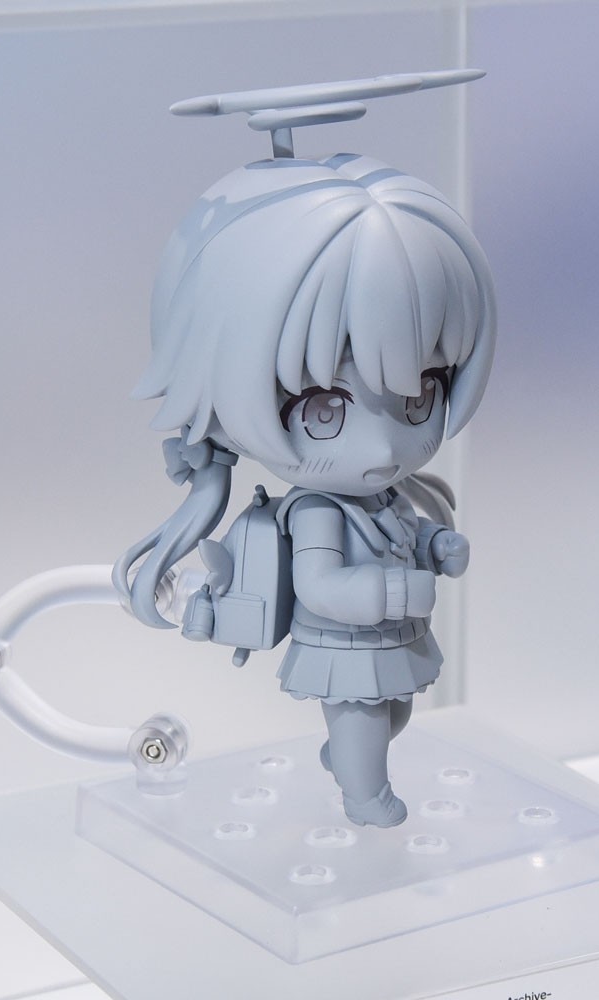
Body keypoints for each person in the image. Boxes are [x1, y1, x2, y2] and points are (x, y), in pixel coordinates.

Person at [114, 150, 496, 826]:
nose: (383, 449)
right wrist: (393, 592)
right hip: (344, 645)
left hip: (390, 639)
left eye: (420, 396)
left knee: (396, 712)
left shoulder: (382, 497)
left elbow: (404, 530)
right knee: (364, 719)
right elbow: (319, 585)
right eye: (326, 409)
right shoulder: (317, 509)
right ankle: (364, 794)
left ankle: (348, 763)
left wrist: (435, 544)